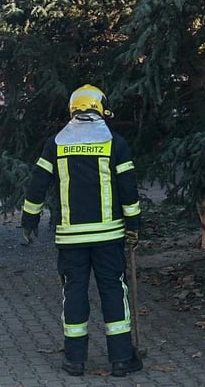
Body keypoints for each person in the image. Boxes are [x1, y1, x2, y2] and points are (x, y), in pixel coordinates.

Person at [20, 84, 143, 377]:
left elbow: (37, 183)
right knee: (113, 290)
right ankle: (122, 359)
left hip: (70, 237)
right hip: (108, 236)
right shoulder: (115, 142)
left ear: (73, 108)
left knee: (74, 292)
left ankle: (75, 360)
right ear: (101, 107)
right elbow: (128, 188)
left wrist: (29, 220)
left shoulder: (57, 142)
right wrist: (134, 226)